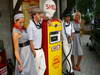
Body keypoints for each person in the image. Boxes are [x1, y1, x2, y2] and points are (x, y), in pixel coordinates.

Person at [27, 8, 46, 75]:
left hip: (41, 50)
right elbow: (30, 41)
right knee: (36, 70)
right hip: (35, 51)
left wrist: (56, 20)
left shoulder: (39, 22)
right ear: (34, 15)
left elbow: (45, 17)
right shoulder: (30, 26)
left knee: (43, 67)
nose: (41, 16)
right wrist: (34, 52)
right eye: (38, 14)